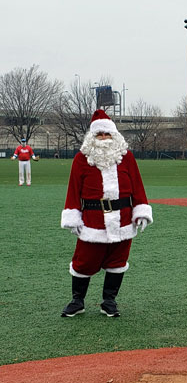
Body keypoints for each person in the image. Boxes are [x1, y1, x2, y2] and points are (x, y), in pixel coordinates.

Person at [60, 109, 153, 318]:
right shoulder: (81, 159)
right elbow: (73, 189)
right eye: (99, 135)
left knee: (118, 261)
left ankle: (109, 301)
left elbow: (138, 186)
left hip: (123, 219)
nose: (103, 139)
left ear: (114, 135)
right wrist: (73, 216)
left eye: (107, 134)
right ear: (92, 137)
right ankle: (78, 300)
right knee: (84, 261)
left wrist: (141, 211)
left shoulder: (127, 158)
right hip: (92, 221)